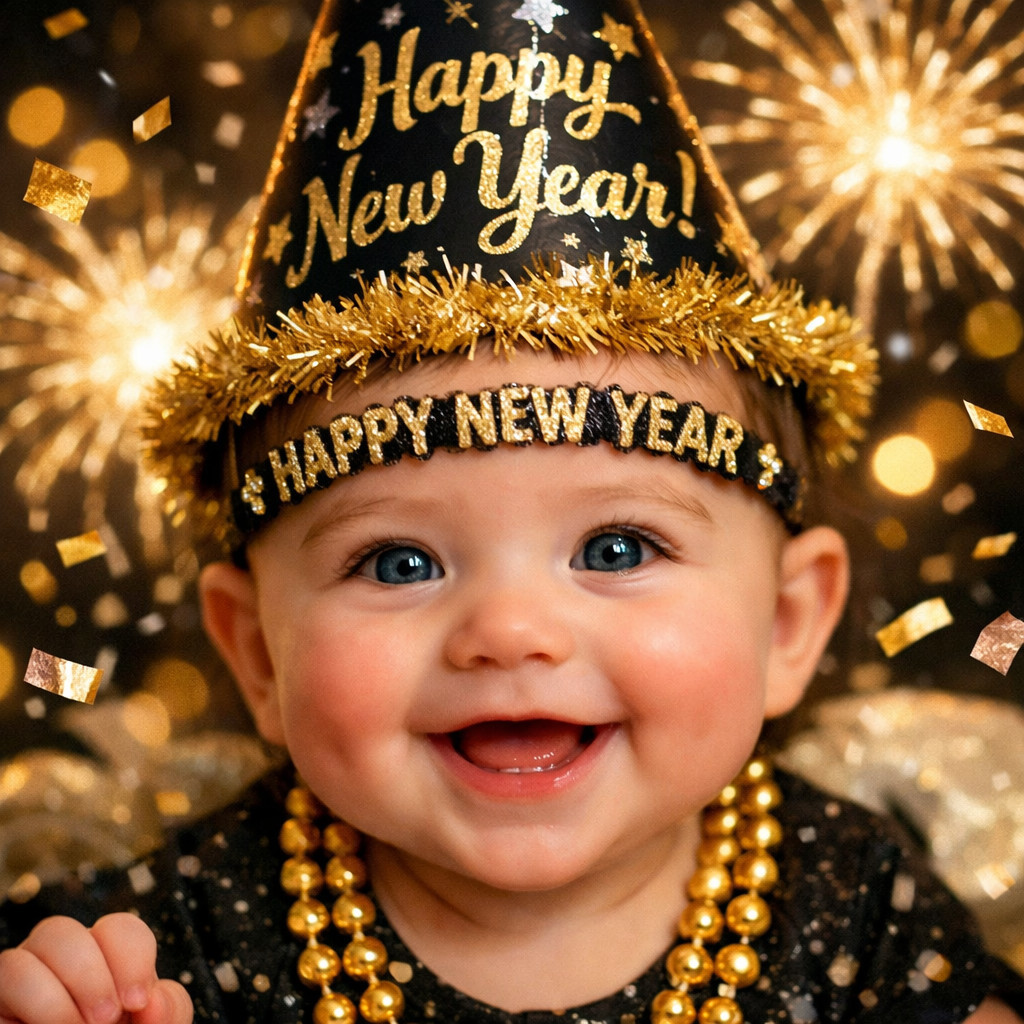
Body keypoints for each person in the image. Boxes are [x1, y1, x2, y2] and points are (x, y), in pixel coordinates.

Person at [2, 1, 1023, 1022]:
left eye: (616, 546)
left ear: (789, 622)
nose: (509, 633)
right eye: (398, 561)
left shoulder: (853, 908)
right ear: (258, 655)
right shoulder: (171, 944)